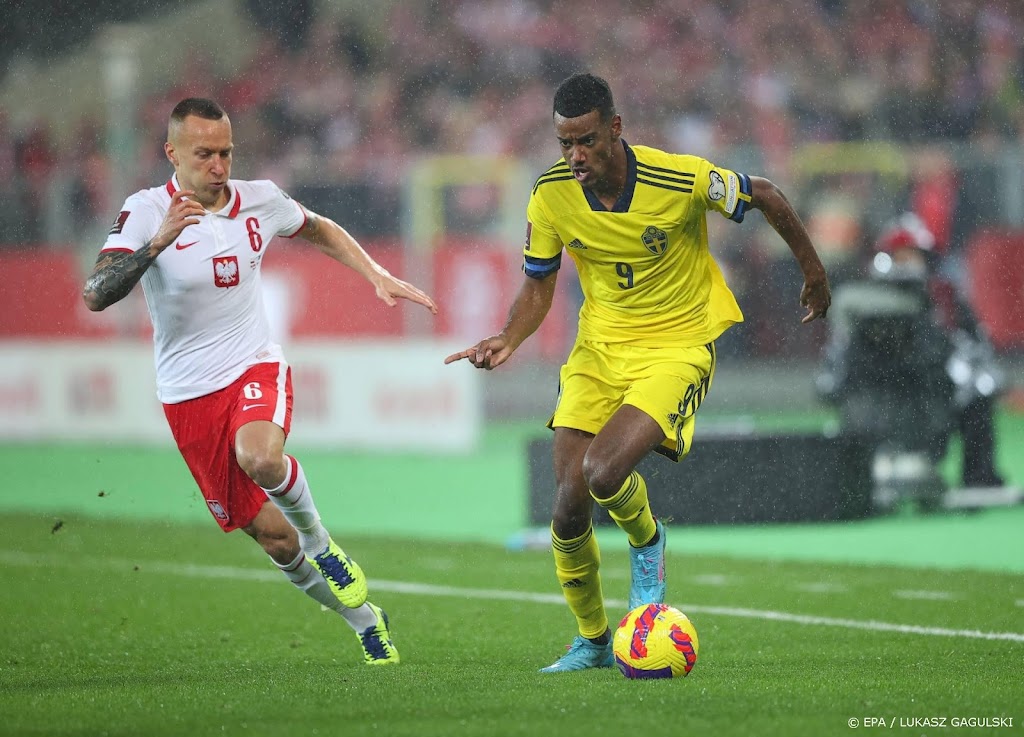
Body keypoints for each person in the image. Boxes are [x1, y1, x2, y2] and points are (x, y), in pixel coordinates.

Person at [444, 73, 830, 672]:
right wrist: (508, 338)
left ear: (615, 128)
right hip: (599, 351)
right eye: (565, 143)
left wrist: (814, 271)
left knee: (603, 471)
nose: (575, 156)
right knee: (567, 505)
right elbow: (538, 285)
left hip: (676, 346)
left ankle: (648, 545)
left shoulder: (678, 178)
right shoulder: (550, 195)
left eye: (587, 141)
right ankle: (593, 641)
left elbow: (769, 194)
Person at [82, 97, 438, 665]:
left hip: (254, 365)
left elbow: (317, 228)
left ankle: (324, 544)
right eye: (204, 154)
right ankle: (368, 621)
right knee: (275, 540)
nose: (218, 165)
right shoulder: (147, 209)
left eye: (225, 152)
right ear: (172, 153)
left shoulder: (262, 199)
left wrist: (374, 272)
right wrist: (157, 243)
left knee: (262, 457)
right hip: (186, 397)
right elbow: (96, 294)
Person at [818, 213, 1010, 496]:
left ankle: (979, 478)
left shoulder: (944, 301)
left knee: (978, 392)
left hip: (931, 394)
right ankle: (858, 477)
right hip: (875, 398)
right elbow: (836, 364)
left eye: (911, 257)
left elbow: (971, 352)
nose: (904, 265)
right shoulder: (859, 302)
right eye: (898, 256)